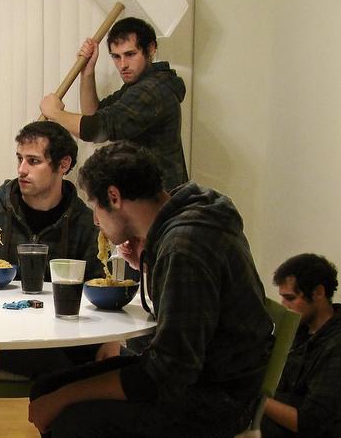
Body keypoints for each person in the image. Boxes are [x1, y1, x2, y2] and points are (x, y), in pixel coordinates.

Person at [28, 141, 272, 437]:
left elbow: (169, 372)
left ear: (114, 197)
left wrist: (64, 398)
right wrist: (147, 264)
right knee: (48, 388)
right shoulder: (191, 212)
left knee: (69, 417)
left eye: (95, 206)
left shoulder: (183, 247)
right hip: (210, 374)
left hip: (219, 397)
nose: (95, 220)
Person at [0, 120, 104, 378]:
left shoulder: (84, 220)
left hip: (62, 332)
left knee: (122, 363)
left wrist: (108, 341)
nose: (21, 170)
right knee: (65, 371)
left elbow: (97, 287)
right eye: (19, 159)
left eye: (33, 161)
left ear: (63, 165)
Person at [39, 17, 188, 191]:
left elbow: (97, 129)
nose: (123, 65)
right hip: (144, 193)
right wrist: (87, 72)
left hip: (159, 199)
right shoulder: (137, 86)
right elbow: (93, 114)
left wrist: (55, 113)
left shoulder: (153, 90)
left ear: (151, 49)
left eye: (130, 54)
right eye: (116, 56)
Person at [262, 253, 341, 438]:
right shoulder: (303, 328)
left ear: (318, 292)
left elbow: (310, 423)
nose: (284, 305)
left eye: (291, 298)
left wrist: (253, 398)